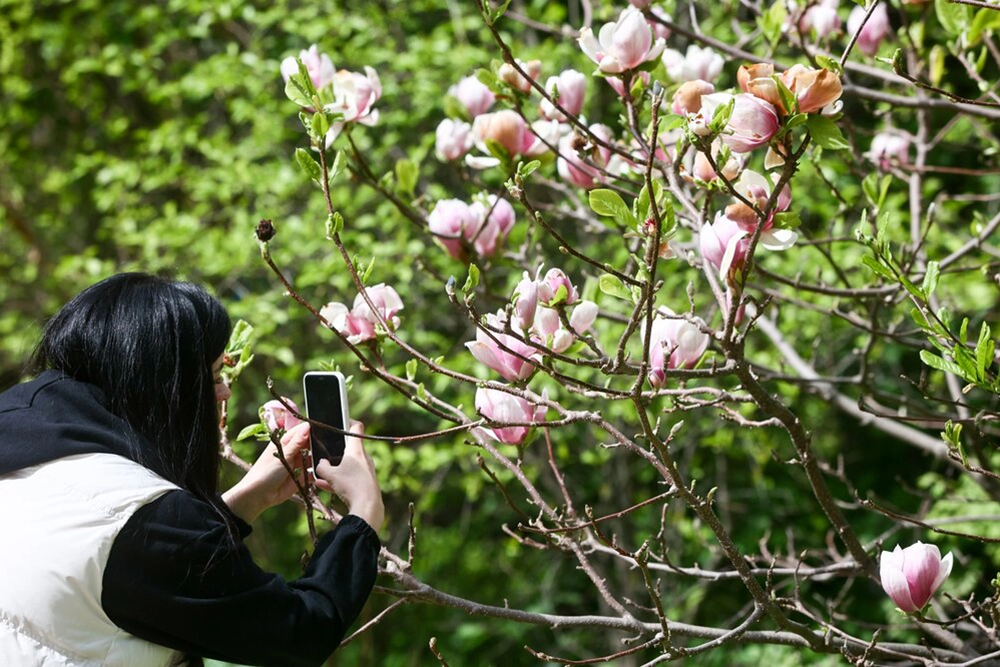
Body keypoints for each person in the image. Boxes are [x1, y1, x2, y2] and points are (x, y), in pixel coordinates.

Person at [0, 272, 384, 667]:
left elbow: (122, 557)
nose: (225, 391)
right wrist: (364, 513)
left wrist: (245, 501)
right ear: (167, 385)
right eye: (215, 374)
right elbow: (300, 631)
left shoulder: (15, 424)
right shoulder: (146, 524)